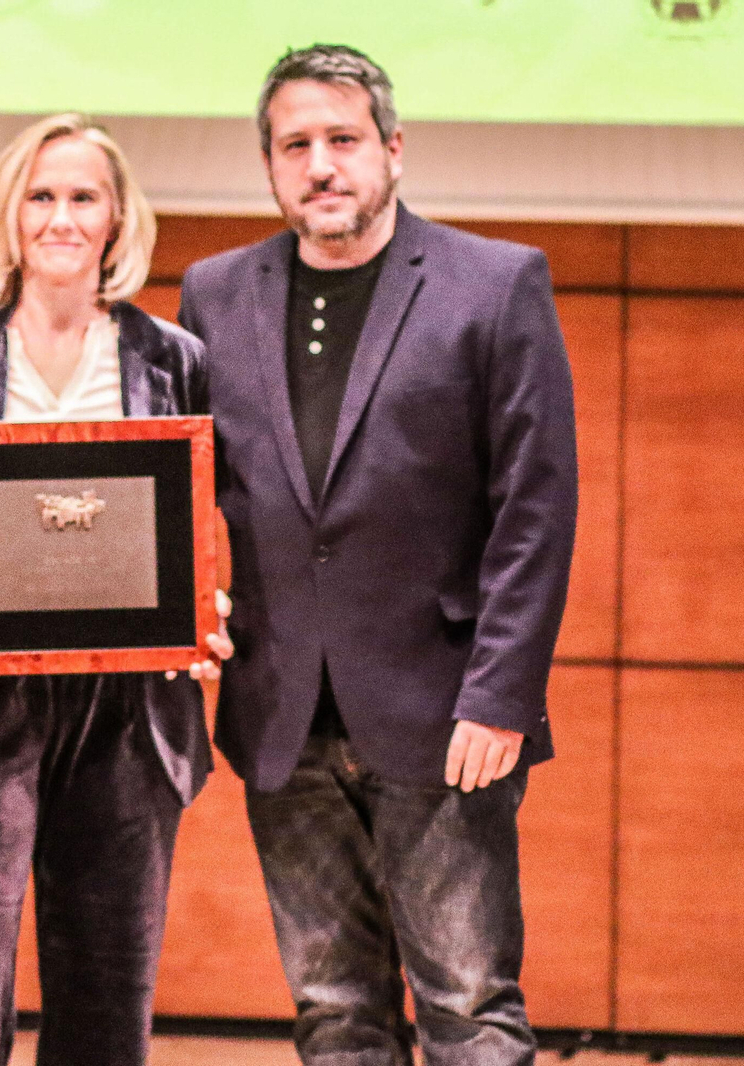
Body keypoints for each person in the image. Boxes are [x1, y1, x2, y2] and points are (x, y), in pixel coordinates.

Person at [178, 46, 578, 1066]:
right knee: (333, 1012)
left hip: (445, 715)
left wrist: (501, 694)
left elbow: (533, 509)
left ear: (393, 151)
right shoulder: (215, 294)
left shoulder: (495, 285)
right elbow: (179, 492)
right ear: (268, 166)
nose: (321, 165)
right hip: (280, 716)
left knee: (469, 1005)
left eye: (342, 140)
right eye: (294, 145)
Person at [0, 112, 228, 1066]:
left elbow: (192, 524)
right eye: (41, 196)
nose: (60, 217)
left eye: (82, 198)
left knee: (109, 990)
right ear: (9, 213)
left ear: (116, 220)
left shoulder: (173, 360)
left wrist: (208, 610)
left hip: (130, 712)